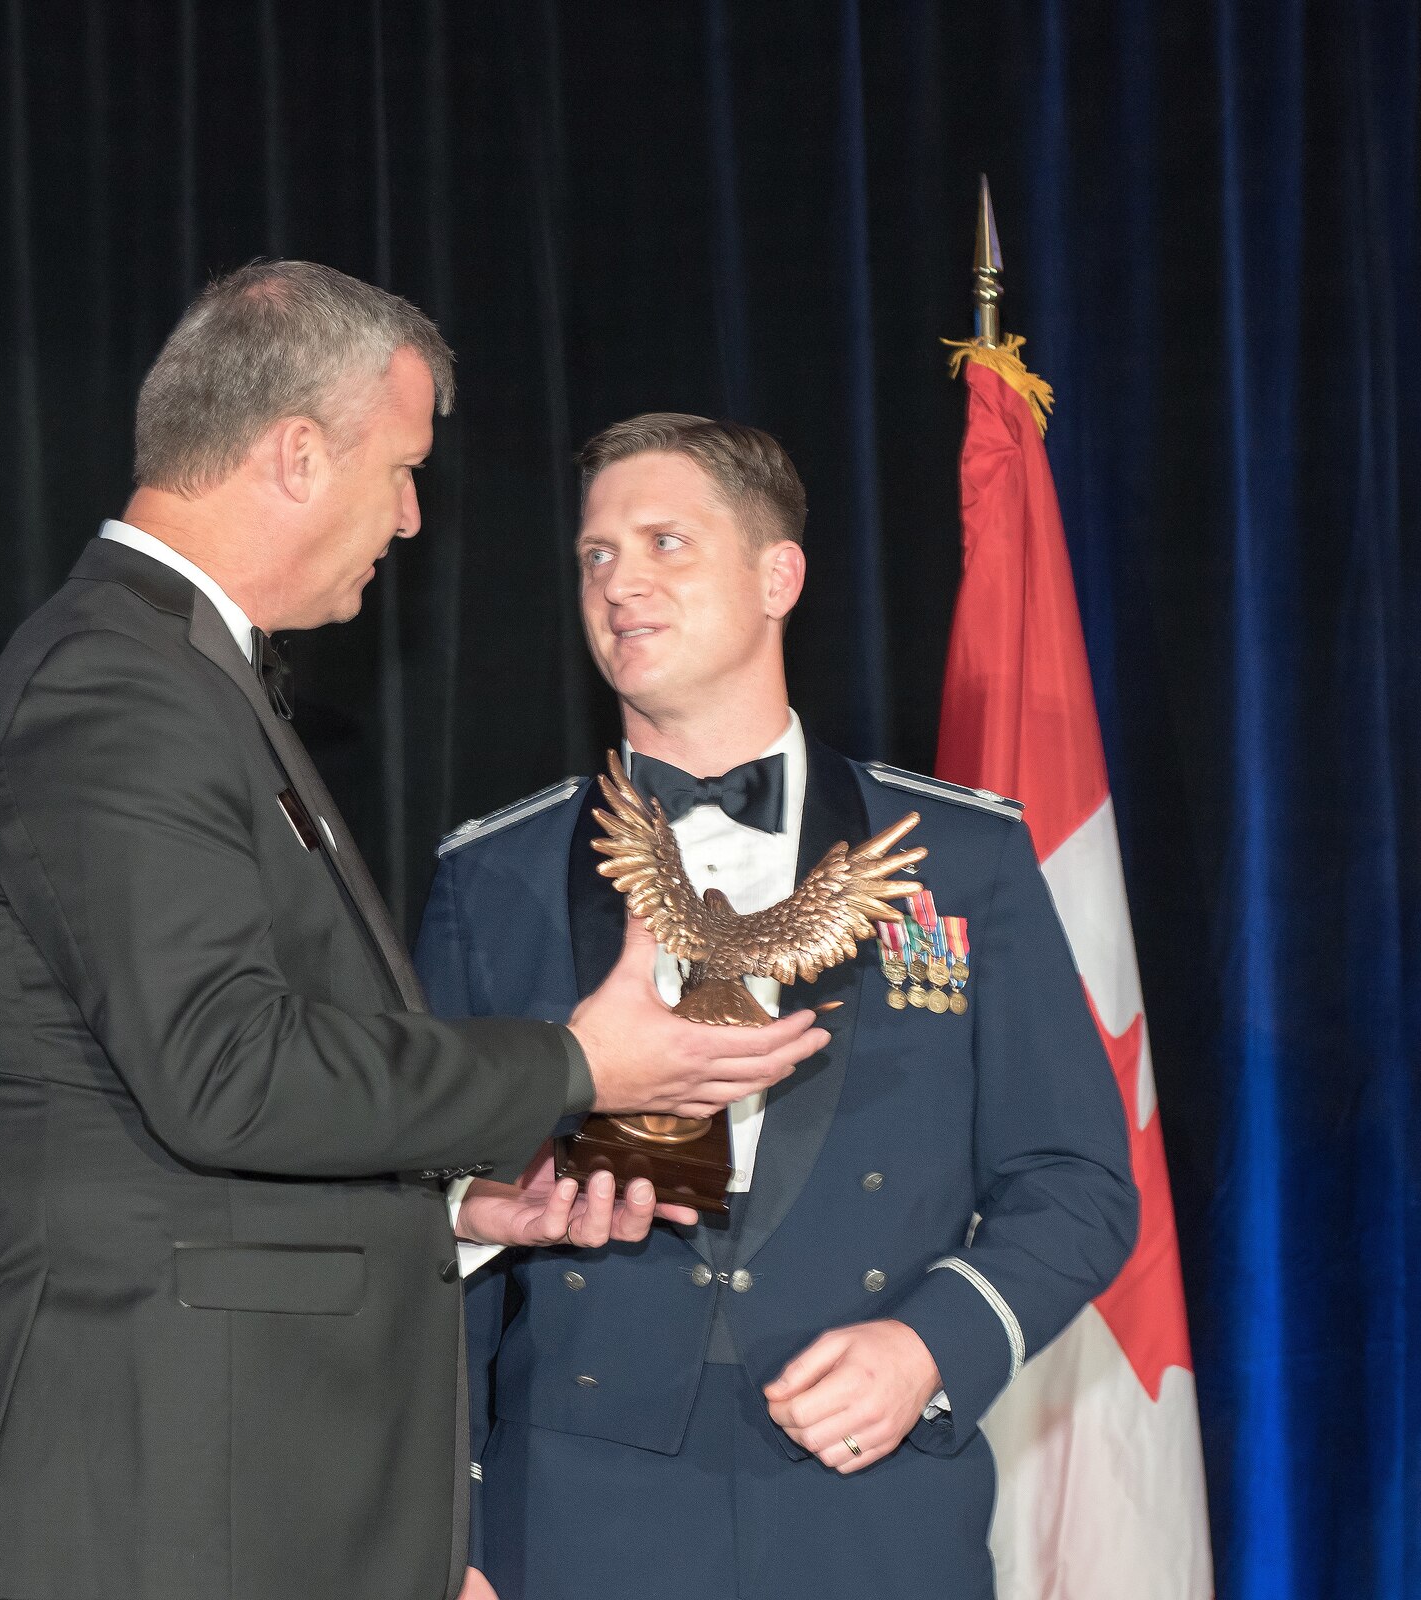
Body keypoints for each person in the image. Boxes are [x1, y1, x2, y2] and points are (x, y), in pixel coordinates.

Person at [0, 271, 831, 1600]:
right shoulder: (118, 690)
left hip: (244, 1506)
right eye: (402, 470)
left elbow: (213, 1123)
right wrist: (577, 1067)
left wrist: (453, 1208)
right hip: (156, 1513)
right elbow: (227, 1076)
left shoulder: (191, 682)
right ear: (297, 453)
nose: (412, 515)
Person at [416, 414, 1139, 1599]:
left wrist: (929, 1344)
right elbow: (424, 1211)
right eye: (596, 554)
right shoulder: (492, 874)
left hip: (868, 1502)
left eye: (663, 542)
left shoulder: (957, 856)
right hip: (572, 1523)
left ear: (776, 574)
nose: (619, 583)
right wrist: (446, 1530)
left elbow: (1074, 1179)